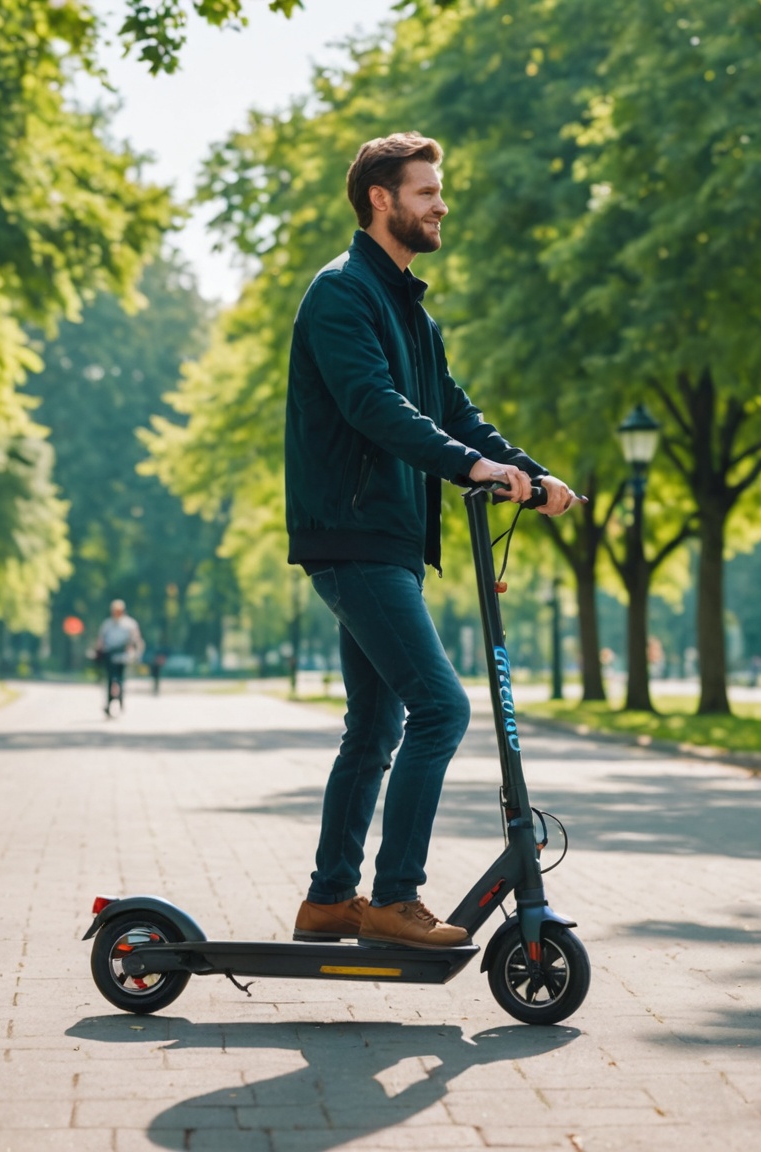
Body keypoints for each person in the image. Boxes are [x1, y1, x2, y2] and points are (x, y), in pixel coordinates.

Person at [286, 133, 579, 951]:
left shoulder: (410, 310)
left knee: (375, 726)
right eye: (426, 192)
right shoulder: (340, 296)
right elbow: (374, 406)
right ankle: (394, 898)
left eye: (438, 191)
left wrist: (529, 471)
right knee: (442, 708)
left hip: (387, 539)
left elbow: (455, 411)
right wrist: (469, 467)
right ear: (381, 200)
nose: (441, 204)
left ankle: (329, 900)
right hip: (353, 534)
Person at [89, 600, 144, 718]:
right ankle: (109, 704)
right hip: (109, 655)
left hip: (123, 655)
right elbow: (101, 640)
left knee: (120, 680)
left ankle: (121, 701)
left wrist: (136, 653)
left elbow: (136, 639)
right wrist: (97, 652)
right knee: (110, 679)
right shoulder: (107, 624)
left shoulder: (130, 624)